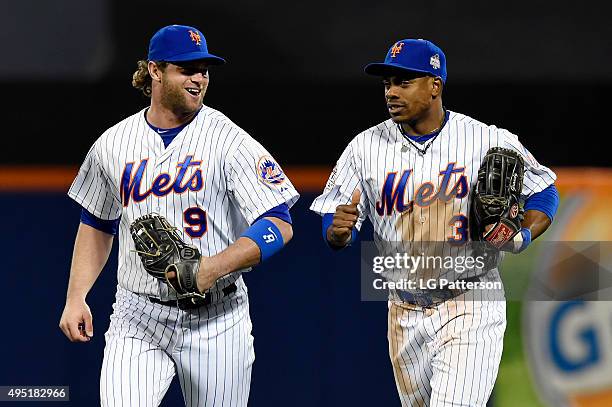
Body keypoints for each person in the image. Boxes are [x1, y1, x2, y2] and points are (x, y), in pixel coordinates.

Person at [59, 24, 299, 407]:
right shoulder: (113, 143)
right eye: (187, 69)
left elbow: (279, 224)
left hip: (218, 319)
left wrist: (212, 267)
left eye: (204, 69)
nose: (199, 78)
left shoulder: (228, 139)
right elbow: (97, 224)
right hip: (138, 317)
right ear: (155, 70)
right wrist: (76, 297)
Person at [310, 39, 559, 406]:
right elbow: (334, 221)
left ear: (435, 86)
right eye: (387, 83)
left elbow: (543, 191)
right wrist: (337, 231)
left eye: (404, 82)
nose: (391, 92)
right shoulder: (364, 147)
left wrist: (520, 237)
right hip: (403, 311)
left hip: (471, 301)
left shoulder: (485, 139)